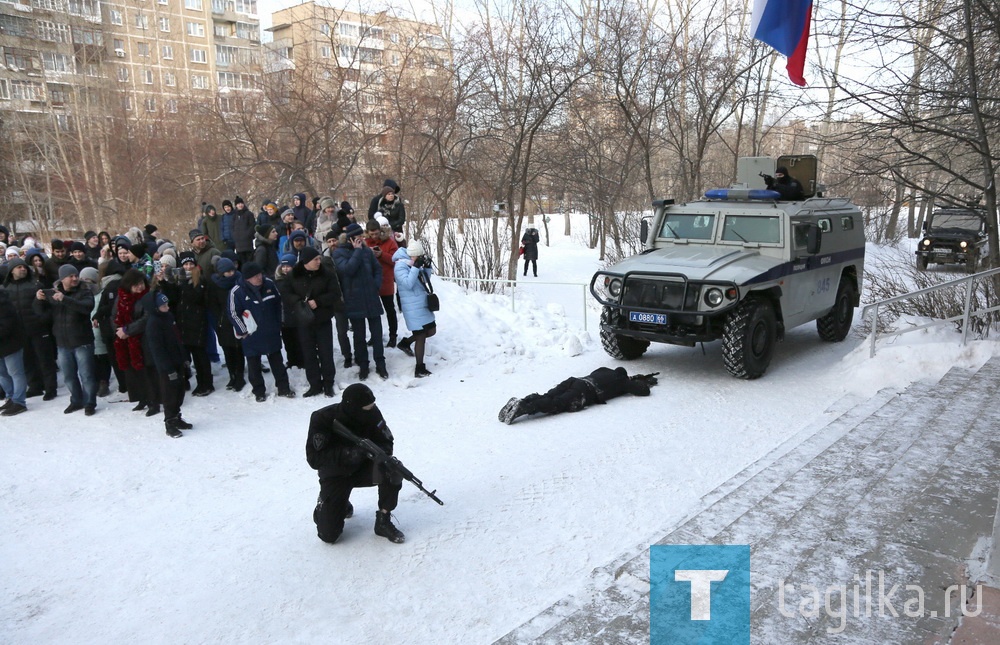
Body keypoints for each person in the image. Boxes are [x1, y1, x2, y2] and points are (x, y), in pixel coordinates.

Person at [305, 383, 405, 544]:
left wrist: (378, 454)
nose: (371, 409)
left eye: (372, 406)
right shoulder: (323, 418)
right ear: (352, 408)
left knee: (392, 471)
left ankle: (383, 521)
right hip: (336, 475)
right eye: (367, 407)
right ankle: (329, 505)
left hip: (362, 468)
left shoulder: (372, 412)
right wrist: (350, 453)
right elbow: (314, 459)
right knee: (329, 536)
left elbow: (386, 441)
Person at [34, 264, 98, 415]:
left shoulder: (85, 291)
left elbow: (86, 307)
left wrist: (65, 299)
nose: (75, 278)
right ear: (62, 279)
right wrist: (38, 301)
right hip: (62, 342)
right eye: (71, 276)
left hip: (82, 341)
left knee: (87, 375)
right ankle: (76, 400)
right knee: (69, 376)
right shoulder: (54, 294)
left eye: (76, 275)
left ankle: (90, 402)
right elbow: (42, 316)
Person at [228, 261, 294, 402]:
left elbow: (279, 304)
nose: (259, 278)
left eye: (260, 274)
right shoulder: (237, 292)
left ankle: (284, 387)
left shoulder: (269, 284)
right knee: (253, 364)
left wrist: (278, 323)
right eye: (255, 276)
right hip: (251, 335)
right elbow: (233, 313)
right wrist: (243, 331)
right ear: (247, 279)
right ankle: (258, 391)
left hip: (271, 330)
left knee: (277, 361)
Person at [499, 367, 659, 424]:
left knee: (548, 395)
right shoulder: (623, 382)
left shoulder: (604, 370)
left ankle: (523, 400)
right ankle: (524, 407)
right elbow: (644, 391)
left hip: (574, 381)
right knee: (557, 404)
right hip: (584, 391)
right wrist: (645, 382)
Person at [286, 246, 343, 396]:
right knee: (308, 354)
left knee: (326, 353)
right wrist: (299, 302)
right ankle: (315, 384)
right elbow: (286, 293)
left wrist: (318, 301)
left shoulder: (327, 273)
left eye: (319, 258)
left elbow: (335, 293)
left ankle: (328, 383)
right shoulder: (294, 275)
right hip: (304, 320)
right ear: (306, 261)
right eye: (315, 259)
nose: (319, 261)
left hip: (322, 319)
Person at [333, 223, 387, 380]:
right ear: (350, 239)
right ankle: (363, 365)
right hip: (353, 298)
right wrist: (356, 252)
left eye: (362, 237)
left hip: (370, 296)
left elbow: (378, 269)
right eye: (358, 238)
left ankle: (380, 364)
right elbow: (348, 270)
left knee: (377, 333)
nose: (361, 240)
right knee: (359, 335)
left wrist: (375, 285)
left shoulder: (366, 251)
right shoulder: (339, 253)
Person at [2, 257, 58, 400]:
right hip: (19, 331)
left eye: (24, 267)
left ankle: (50, 387)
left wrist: (43, 320)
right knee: (27, 360)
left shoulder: (35, 284)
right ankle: (35, 386)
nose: (23, 269)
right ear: (11, 271)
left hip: (38, 328)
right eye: (19, 267)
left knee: (45, 359)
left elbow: (47, 306)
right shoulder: (6, 288)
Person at [113, 269, 160, 416]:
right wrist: (119, 331)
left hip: (144, 339)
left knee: (149, 372)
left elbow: (147, 318)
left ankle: (154, 401)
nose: (139, 287)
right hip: (127, 341)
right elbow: (114, 316)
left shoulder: (148, 297)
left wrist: (128, 330)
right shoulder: (121, 297)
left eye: (141, 283)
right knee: (134, 372)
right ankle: (142, 398)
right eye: (136, 285)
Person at [145, 292, 192, 437]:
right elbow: (157, 350)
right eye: (164, 306)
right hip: (167, 366)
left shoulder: (169, 317)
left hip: (177, 360)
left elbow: (178, 339)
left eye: (167, 305)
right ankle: (169, 422)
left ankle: (177, 417)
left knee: (180, 391)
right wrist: (167, 368)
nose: (167, 307)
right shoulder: (153, 323)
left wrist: (185, 357)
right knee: (169, 394)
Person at [393, 240, 435, 378]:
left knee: (431, 330)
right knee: (421, 335)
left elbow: (424, 280)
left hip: (421, 303)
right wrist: (416, 267)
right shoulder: (400, 266)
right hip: (411, 306)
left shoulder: (412, 263)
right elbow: (408, 284)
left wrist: (427, 267)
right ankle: (419, 368)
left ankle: (406, 343)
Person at [207, 258, 245, 392]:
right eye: (228, 271)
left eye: (232, 270)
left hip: (237, 319)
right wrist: (219, 319)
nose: (231, 273)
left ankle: (239, 377)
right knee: (228, 350)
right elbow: (212, 303)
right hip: (223, 322)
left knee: (238, 349)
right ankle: (232, 376)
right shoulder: (215, 284)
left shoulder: (239, 281)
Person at [365, 218, 400, 347]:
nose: (374, 236)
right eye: (371, 234)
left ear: (380, 231)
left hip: (386, 280)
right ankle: (375, 335)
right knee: (372, 312)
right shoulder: (365, 243)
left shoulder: (389, 242)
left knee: (390, 310)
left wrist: (381, 255)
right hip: (370, 282)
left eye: (376, 233)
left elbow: (395, 260)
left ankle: (393, 336)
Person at [0, 287, 28, 416]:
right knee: (3, 374)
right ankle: (10, 397)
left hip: (11, 344)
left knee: (16, 373)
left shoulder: (4, 303)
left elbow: (7, 326)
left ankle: (19, 402)